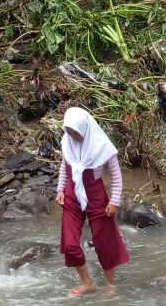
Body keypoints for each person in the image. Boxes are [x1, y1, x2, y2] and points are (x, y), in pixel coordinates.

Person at [56, 106, 130, 296]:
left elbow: (116, 176)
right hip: (72, 195)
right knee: (71, 244)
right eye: (69, 131)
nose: (72, 135)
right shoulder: (68, 141)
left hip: (96, 195)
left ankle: (111, 284)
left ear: (85, 129)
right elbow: (65, 167)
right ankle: (87, 282)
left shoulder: (102, 146)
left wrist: (114, 202)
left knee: (105, 242)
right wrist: (60, 189)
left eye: (75, 131)